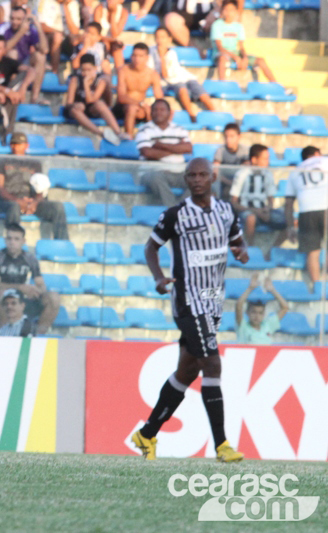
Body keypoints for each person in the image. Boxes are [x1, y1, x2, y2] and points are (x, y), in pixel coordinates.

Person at [132, 157, 248, 463]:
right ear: (186, 180)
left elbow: (237, 241)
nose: (196, 179)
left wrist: (241, 251)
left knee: (188, 370)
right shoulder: (175, 215)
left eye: (202, 175)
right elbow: (150, 247)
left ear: (212, 178)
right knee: (212, 365)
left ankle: (146, 435)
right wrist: (159, 277)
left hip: (213, 299)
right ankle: (222, 446)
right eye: (191, 175)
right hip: (188, 299)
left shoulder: (226, 211)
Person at [0, 132, 67, 239]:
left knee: (57, 207)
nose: (16, 147)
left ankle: (62, 245)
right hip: (8, 202)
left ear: (26, 145)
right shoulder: (1, 161)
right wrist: (17, 201)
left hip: (31, 202)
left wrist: (34, 203)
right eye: (13, 144)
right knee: (14, 207)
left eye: (19, 144)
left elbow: (41, 189)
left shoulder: (34, 163)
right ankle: (13, 245)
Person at [0, 223, 60, 334]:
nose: (12, 242)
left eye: (16, 239)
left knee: (54, 298)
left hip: (23, 300)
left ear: (23, 241)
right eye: (9, 238)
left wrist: (36, 290)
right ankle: (4, 335)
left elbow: (40, 283)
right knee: (1, 293)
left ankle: (37, 335)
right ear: (5, 240)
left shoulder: (30, 258)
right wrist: (21, 287)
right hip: (4, 300)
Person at [150, 27, 215, 122]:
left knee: (198, 89)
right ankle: (192, 114)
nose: (160, 40)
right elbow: (165, 75)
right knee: (182, 89)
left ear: (169, 39)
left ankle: (214, 112)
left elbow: (173, 74)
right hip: (168, 82)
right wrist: (162, 57)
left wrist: (163, 57)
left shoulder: (172, 53)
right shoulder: (151, 52)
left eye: (163, 37)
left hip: (181, 77)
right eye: (158, 37)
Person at [136, 99, 193, 206]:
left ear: (169, 112)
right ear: (151, 112)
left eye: (162, 110)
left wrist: (161, 145)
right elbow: (147, 153)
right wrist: (176, 149)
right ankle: (173, 211)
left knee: (199, 181)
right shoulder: (144, 129)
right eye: (155, 110)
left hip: (178, 172)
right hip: (153, 172)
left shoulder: (179, 129)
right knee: (156, 178)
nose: (158, 112)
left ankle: (179, 207)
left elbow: (188, 148)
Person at [285, 146, 328, 283]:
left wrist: (290, 226)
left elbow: (289, 203)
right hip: (326, 206)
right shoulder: (324, 161)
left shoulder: (296, 170)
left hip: (306, 211)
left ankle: (316, 286)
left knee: (313, 252)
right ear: (317, 154)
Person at [229, 143, 285, 246]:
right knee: (251, 218)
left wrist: (267, 209)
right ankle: (250, 249)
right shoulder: (242, 174)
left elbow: (271, 199)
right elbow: (234, 202)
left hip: (263, 211)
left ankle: (273, 249)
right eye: (264, 159)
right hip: (246, 212)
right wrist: (255, 211)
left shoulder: (268, 174)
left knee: (289, 220)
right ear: (254, 160)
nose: (267, 162)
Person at [63, 53, 122, 144]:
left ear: (95, 68)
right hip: (77, 110)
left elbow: (91, 100)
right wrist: (76, 105)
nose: (86, 73)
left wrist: (86, 84)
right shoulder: (75, 80)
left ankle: (118, 132)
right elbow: (69, 103)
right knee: (78, 107)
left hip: (91, 109)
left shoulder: (100, 81)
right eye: (83, 70)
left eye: (89, 70)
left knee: (100, 104)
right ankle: (101, 133)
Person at [211, 0, 276, 83]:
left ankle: (276, 86)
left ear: (236, 11)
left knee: (261, 61)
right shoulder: (217, 25)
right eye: (226, 9)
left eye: (231, 10)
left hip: (235, 54)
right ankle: (222, 85)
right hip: (222, 54)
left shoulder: (238, 26)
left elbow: (241, 46)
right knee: (222, 59)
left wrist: (244, 57)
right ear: (222, 11)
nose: (228, 13)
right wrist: (235, 57)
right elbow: (220, 47)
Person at [0, 6, 48, 104]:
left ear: (25, 20)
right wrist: (21, 32)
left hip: (24, 64)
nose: (14, 22)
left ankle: (34, 98)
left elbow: (44, 50)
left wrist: (39, 27)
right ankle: (10, 93)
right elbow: (2, 51)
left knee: (40, 57)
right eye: (12, 18)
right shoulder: (4, 28)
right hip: (5, 66)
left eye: (18, 19)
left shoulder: (31, 30)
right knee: (12, 54)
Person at [115, 42, 162, 138]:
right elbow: (121, 97)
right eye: (134, 55)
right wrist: (140, 103)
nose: (137, 59)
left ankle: (154, 138)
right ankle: (129, 138)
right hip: (123, 107)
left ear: (147, 58)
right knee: (132, 108)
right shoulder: (123, 71)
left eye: (141, 56)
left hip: (141, 109)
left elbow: (159, 98)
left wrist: (151, 109)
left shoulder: (152, 74)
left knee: (151, 110)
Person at [235, 274, 287, 345]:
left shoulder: (268, 325)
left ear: (264, 314)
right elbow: (238, 306)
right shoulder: (243, 327)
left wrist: (272, 290)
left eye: (260, 313)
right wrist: (250, 288)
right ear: (247, 312)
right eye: (254, 312)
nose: (257, 316)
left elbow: (285, 307)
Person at [38, 0, 80, 73]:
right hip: (49, 36)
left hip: (66, 39)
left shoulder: (73, 3)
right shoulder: (44, 1)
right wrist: (59, 32)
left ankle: (76, 71)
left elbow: (75, 31)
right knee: (57, 37)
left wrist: (65, 7)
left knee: (78, 39)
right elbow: (41, 25)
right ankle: (54, 71)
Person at [212, 122, 248, 200]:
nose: (228, 139)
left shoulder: (245, 151)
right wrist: (229, 182)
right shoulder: (220, 151)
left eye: (232, 136)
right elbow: (216, 172)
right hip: (223, 183)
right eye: (226, 136)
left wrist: (235, 183)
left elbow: (246, 171)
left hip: (239, 184)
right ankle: (217, 203)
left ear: (239, 137)